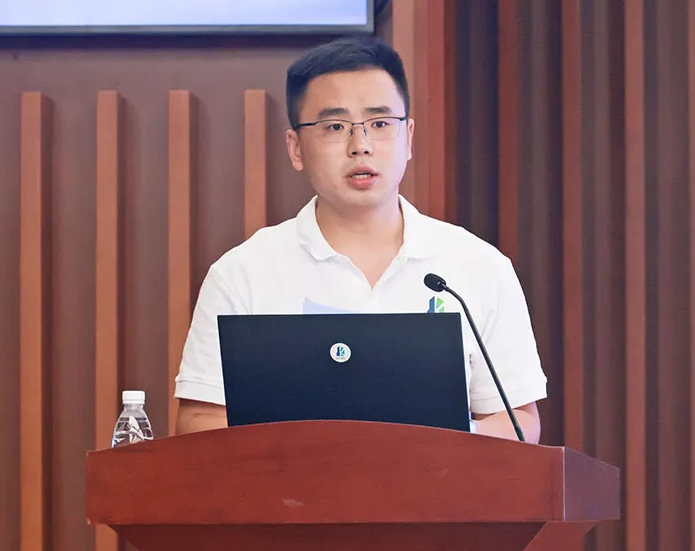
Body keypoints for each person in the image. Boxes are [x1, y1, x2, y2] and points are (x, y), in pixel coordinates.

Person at [173, 36, 546, 442]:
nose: (361, 146)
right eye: (335, 127)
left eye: (380, 124)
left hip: (435, 483)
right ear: (296, 148)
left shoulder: (480, 267)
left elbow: (518, 422)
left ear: (408, 138)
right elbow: (198, 422)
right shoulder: (242, 274)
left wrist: (432, 442)